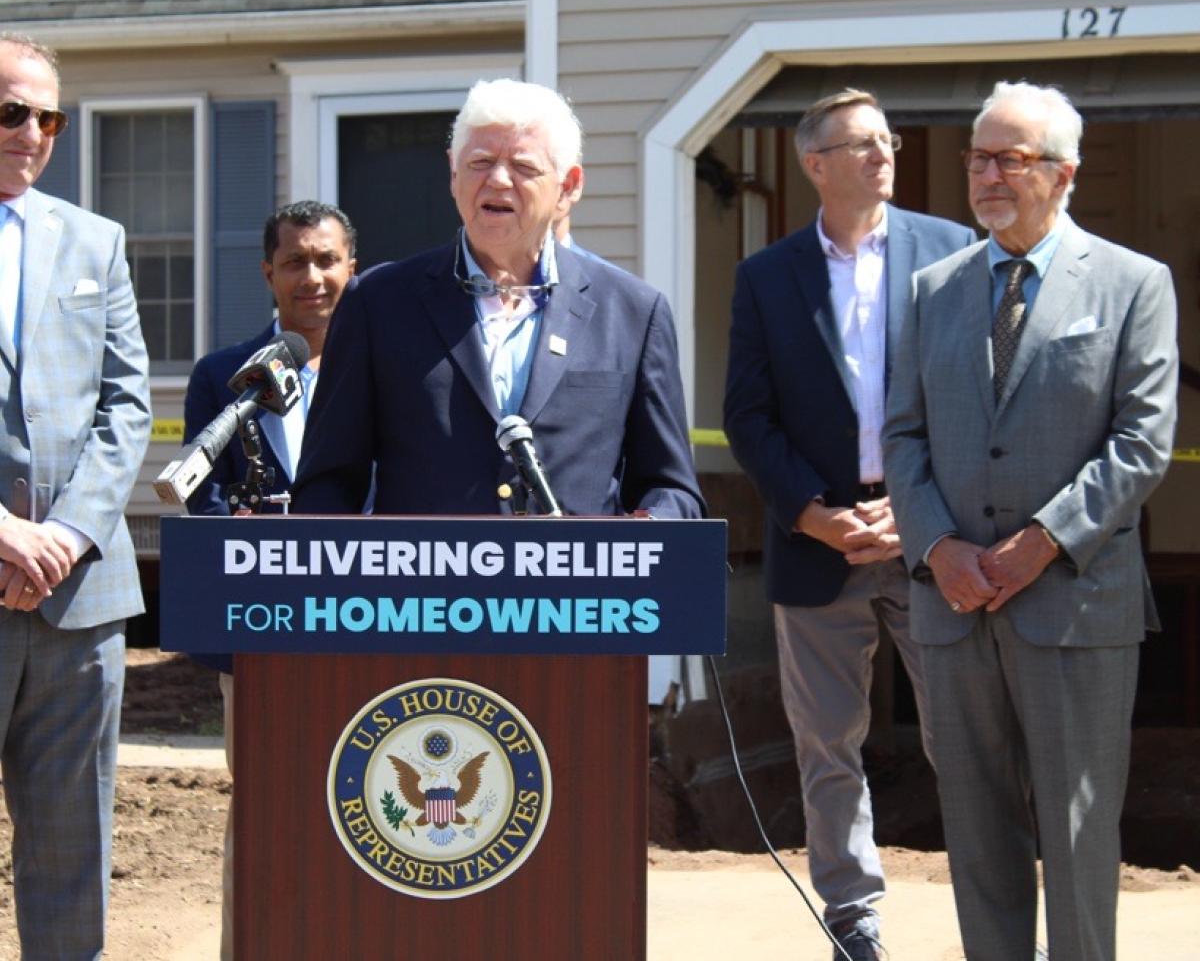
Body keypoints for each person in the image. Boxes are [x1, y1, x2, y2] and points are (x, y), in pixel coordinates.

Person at [883, 81, 1178, 961]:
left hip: (1074, 607)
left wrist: (1039, 543)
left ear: (1064, 173)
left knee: (1079, 834)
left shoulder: (1133, 283)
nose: (986, 176)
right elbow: (902, 434)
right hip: (955, 606)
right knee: (976, 835)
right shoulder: (933, 288)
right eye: (977, 158)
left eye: (1008, 159)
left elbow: (1143, 438)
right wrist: (938, 548)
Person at [722, 89, 974, 960]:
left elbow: (978, 406)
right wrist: (813, 516)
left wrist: (915, 509)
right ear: (813, 163)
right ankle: (853, 919)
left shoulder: (953, 253)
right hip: (817, 542)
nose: (881, 154)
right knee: (829, 741)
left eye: (887, 140)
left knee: (967, 737)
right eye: (859, 143)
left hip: (932, 538)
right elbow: (748, 417)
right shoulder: (766, 277)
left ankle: (1001, 914)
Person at [291, 77, 702, 521]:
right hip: (421, 588)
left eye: (523, 166)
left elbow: (670, 488)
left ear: (569, 186)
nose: (498, 179)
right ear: (453, 173)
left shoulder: (634, 313)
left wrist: (652, 527)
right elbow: (326, 484)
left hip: (576, 588)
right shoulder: (378, 302)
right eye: (480, 162)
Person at [0, 32, 151, 957]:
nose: (32, 132)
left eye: (48, 116)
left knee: (69, 853)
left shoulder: (96, 240)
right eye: (11, 110)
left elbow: (128, 402)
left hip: (76, 597)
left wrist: (65, 534)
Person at [182, 199, 357, 961]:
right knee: (265, 813)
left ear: (353, 267)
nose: (312, 278)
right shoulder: (223, 375)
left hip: (366, 628)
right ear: (268, 274)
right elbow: (201, 494)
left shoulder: (384, 368)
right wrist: (240, 541)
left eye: (327, 261)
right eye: (295, 262)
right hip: (259, 637)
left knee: (364, 800)